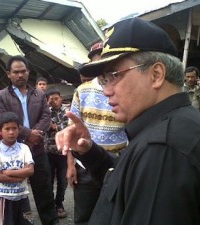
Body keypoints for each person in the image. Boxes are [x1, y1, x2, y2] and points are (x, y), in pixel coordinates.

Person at [55, 17, 200, 225]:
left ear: (156, 75)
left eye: (113, 76)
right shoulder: (169, 127)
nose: (106, 91)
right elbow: (128, 183)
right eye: (103, 80)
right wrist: (89, 151)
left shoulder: (163, 149)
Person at [67, 42, 127, 225]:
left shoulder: (123, 89)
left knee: (114, 215)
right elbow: (72, 132)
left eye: (104, 57)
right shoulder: (82, 91)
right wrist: (71, 165)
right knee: (84, 217)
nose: (100, 61)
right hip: (86, 167)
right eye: (97, 58)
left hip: (117, 163)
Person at [0, 55, 59, 225]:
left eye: (23, 71)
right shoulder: (1, 96)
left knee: (44, 192)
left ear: (28, 72)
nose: (20, 75)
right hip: (12, 154)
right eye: (16, 72)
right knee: (14, 195)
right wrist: (28, 134)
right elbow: (1, 119)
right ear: (9, 74)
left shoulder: (38, 93)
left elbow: (46, 116)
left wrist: (34, 136)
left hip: (37, 149)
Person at [0, 112, 34, 225]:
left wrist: (8, 172)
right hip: (3, 197)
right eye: (7, 129)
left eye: (14, 128)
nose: (11, 132)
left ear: (19, 129)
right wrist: (20, 176)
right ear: (0, 131)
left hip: (22, 196)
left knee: (27, 222)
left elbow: (30, 170)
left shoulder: (24, 148)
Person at [45, 88, 69, 218]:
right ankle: (49, 206)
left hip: (63, 152)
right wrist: (46, 108)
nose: (54, 101)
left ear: (61, 98)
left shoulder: (67, 111)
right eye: (51, 99)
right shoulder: (45, 113)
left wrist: (56, 127)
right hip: (48, 152)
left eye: (56, 98)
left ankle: (59, 204)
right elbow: (42, 125)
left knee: (62, 180)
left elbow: (68, 128)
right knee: (48, 180)